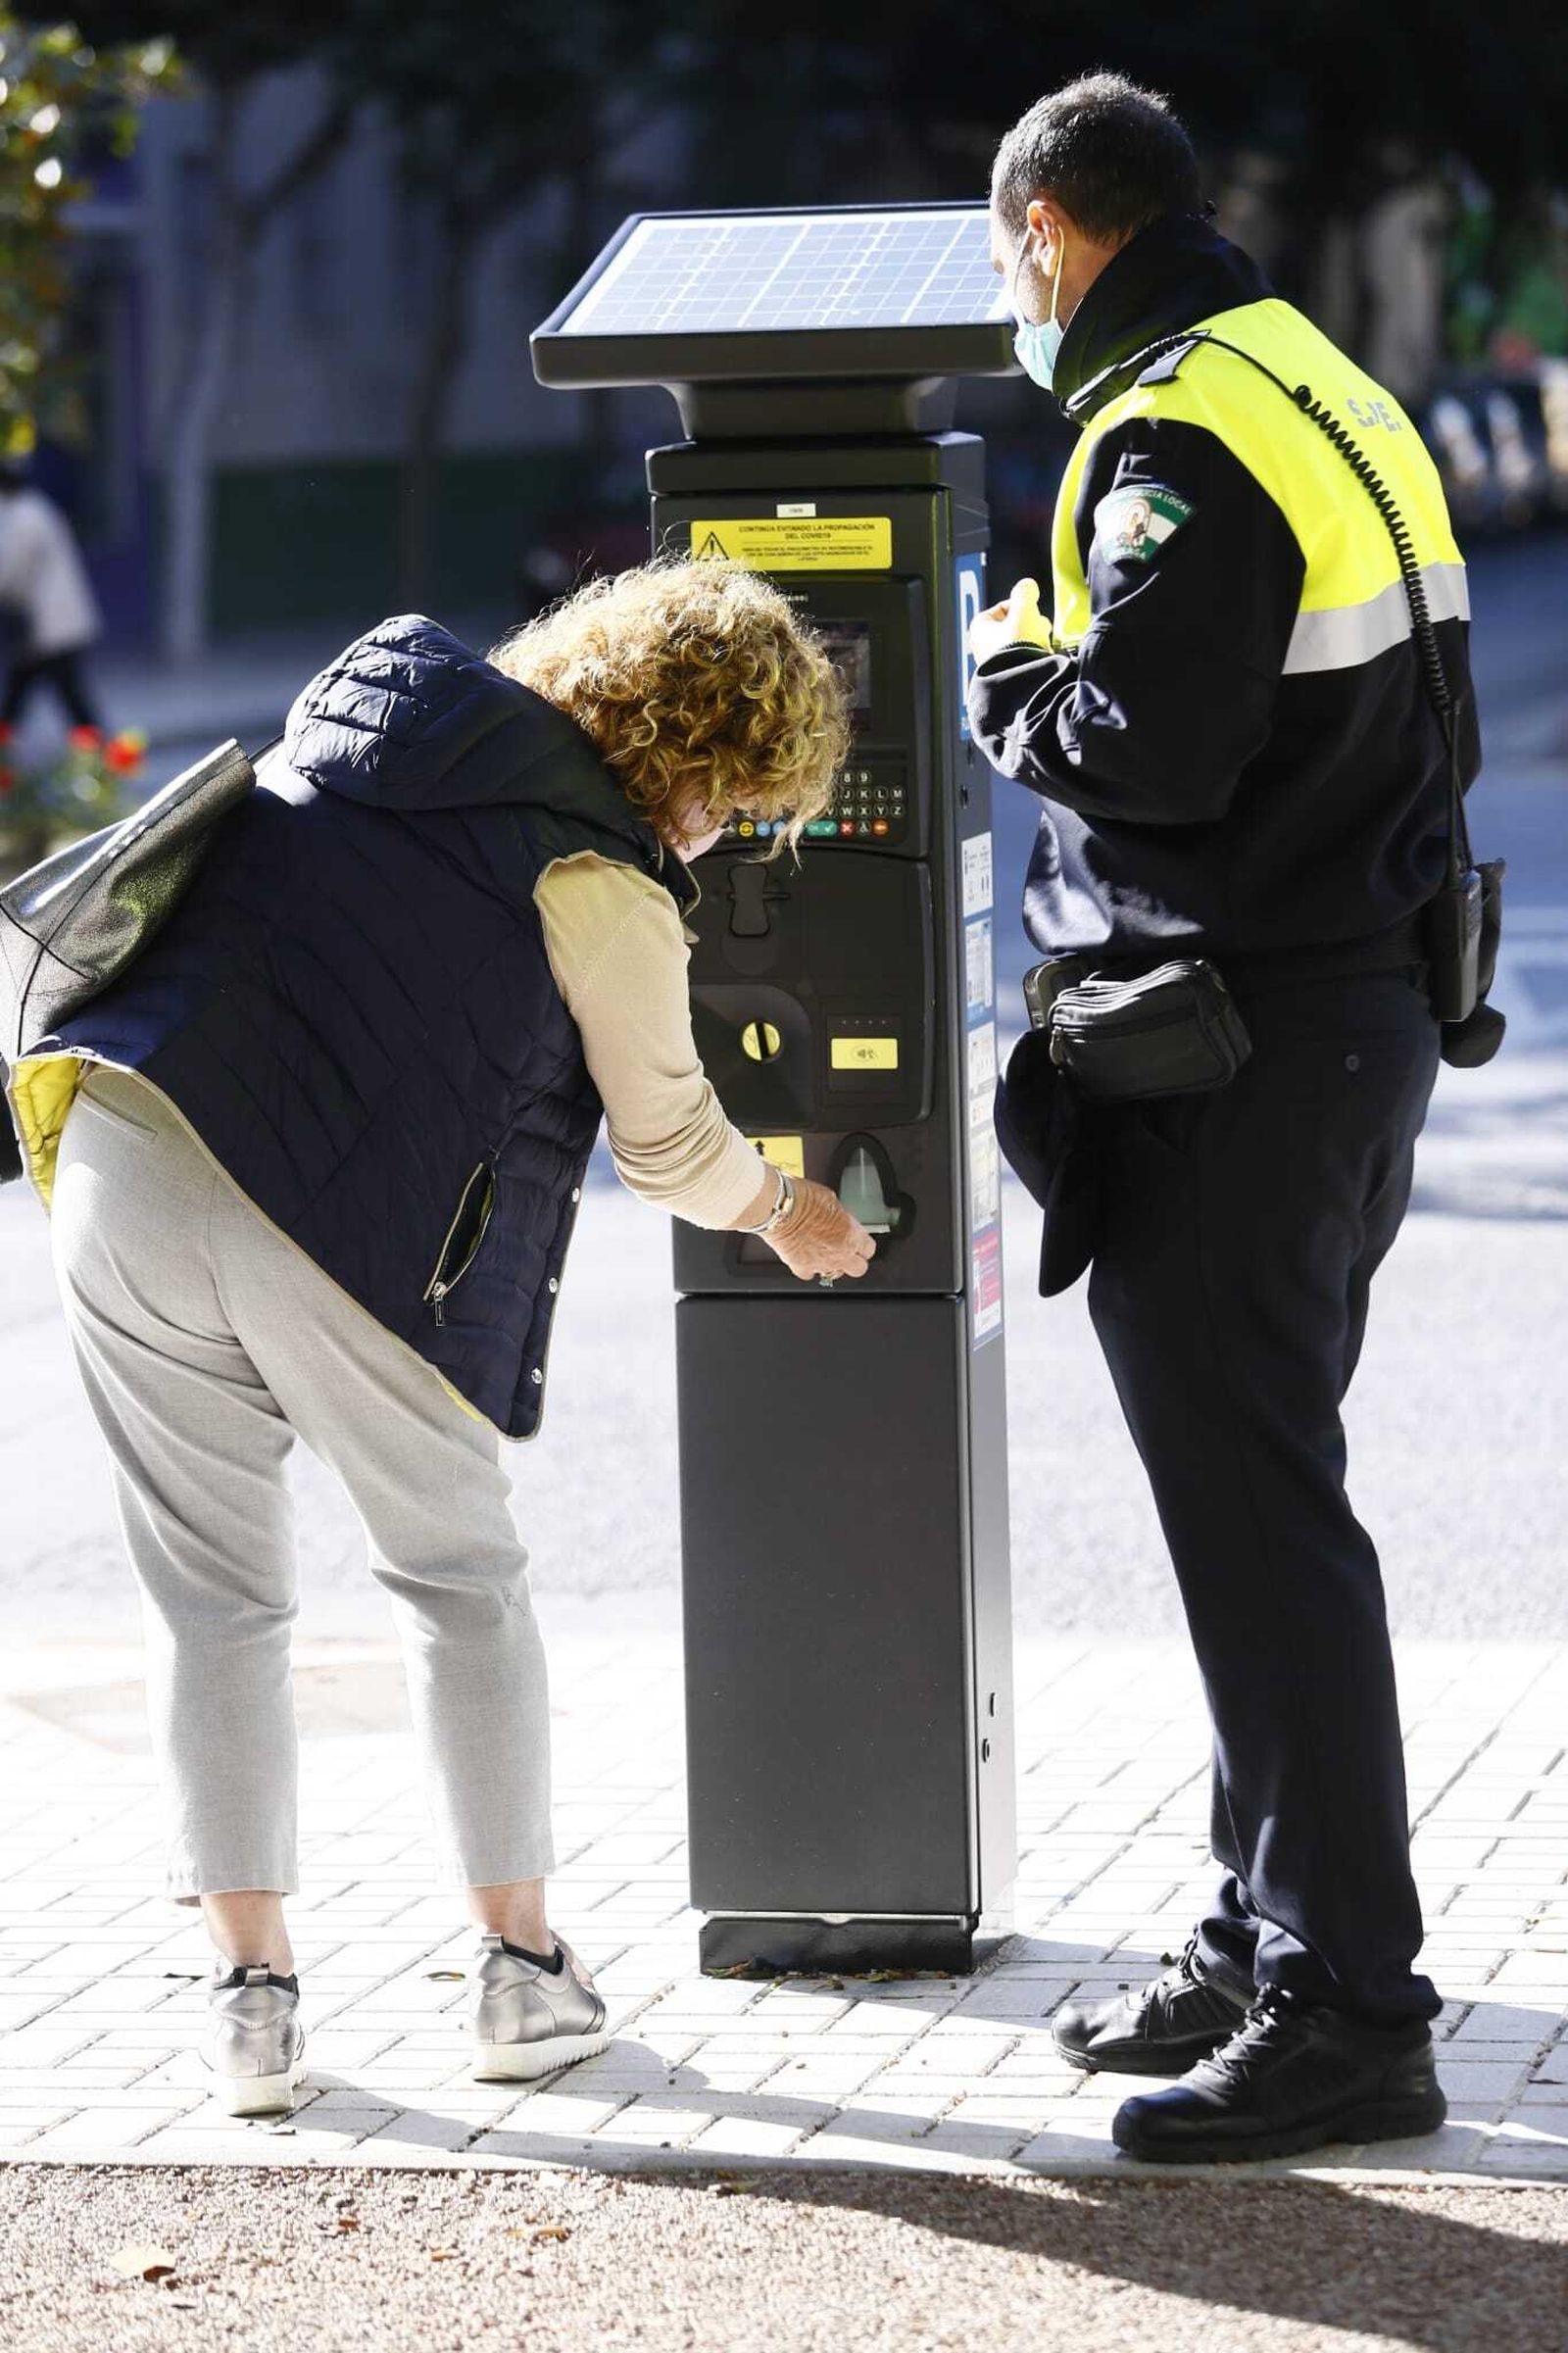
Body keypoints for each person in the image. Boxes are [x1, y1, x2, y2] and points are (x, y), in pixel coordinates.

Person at [5, 562, 873, 2117]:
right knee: (454, 1575)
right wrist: (791, 1211)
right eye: (736, 801)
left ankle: (250, 2010)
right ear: (691, 755)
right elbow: (670, 1146)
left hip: (121, 1150)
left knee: (209, 1594)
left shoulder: (365, 721)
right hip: (329, 1213)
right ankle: (521, 1974)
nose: (722, 834)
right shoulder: (599, 872)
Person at [967, 74, 1480, 2164]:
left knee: (1260, 1525)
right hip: (1351, 1016)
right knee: (1253, 1502)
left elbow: (1146, 748)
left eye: (1009, 261)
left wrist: (1008, 660)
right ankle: (1258, 1931)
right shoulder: (1321, 384)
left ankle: (1349, 2008)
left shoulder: (1172, 429)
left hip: (1236, 1048)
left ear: (1045, 232)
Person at [0, 466, 103, 729]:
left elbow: (14, 568)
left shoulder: (22, 517)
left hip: (47, 624)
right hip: (52, 622)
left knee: (63, 692)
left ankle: (96, 746)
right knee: (29, 688)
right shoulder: (37, 508)